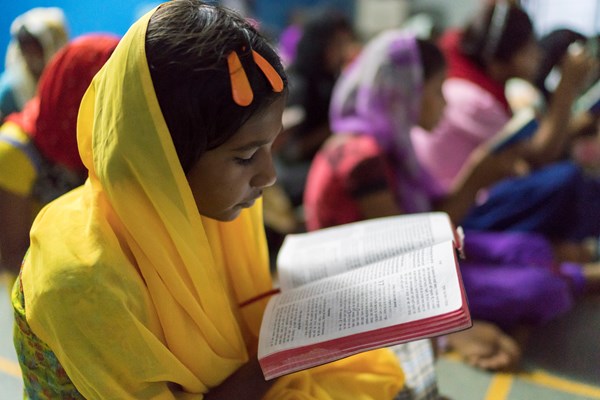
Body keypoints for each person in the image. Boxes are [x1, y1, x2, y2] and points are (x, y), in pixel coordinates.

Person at [12, 1, 406, 398]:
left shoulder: (193, 209)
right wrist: (286, 353)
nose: (268, 177)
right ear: (161, 154)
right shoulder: (82, 281)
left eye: (270, 147)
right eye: (246, 156)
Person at [303, 29, 600, 377]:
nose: (445, 102)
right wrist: (454, 331)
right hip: (377, 285)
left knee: (526, 245)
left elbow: (424, 226)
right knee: (536, 289)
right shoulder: (362, 158)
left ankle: (570, 273)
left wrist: (480, 176)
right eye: (437, 89)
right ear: (407, 92)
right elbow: (406, 252)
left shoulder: (390, 143)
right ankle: (577, 277)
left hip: (414, 259)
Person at [411, 1, 600, 245]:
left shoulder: (481, 91)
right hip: (463, 212)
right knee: (568, 180)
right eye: (529, 46)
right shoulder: (473, 100)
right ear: (505, 55)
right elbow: (540, 156)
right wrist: (567, 85)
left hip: (462, 204)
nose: (538, 54)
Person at [0, 34, 120, 281]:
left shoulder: (102, 139)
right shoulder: (15, 151)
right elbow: (12, 256)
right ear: (77, 89)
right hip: (41, 301)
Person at [274, 8, 357, 208]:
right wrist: (335, 128)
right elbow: (290, 151)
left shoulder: (332, 80)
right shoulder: (299, 86)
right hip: (296, 174)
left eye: (345, 44)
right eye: (337, 44)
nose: (343, 52)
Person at [0, 7, 68, 121]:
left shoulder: (67, 82)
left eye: (35, 47)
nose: (31, 56)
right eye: (25, 48)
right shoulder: (10, 91)